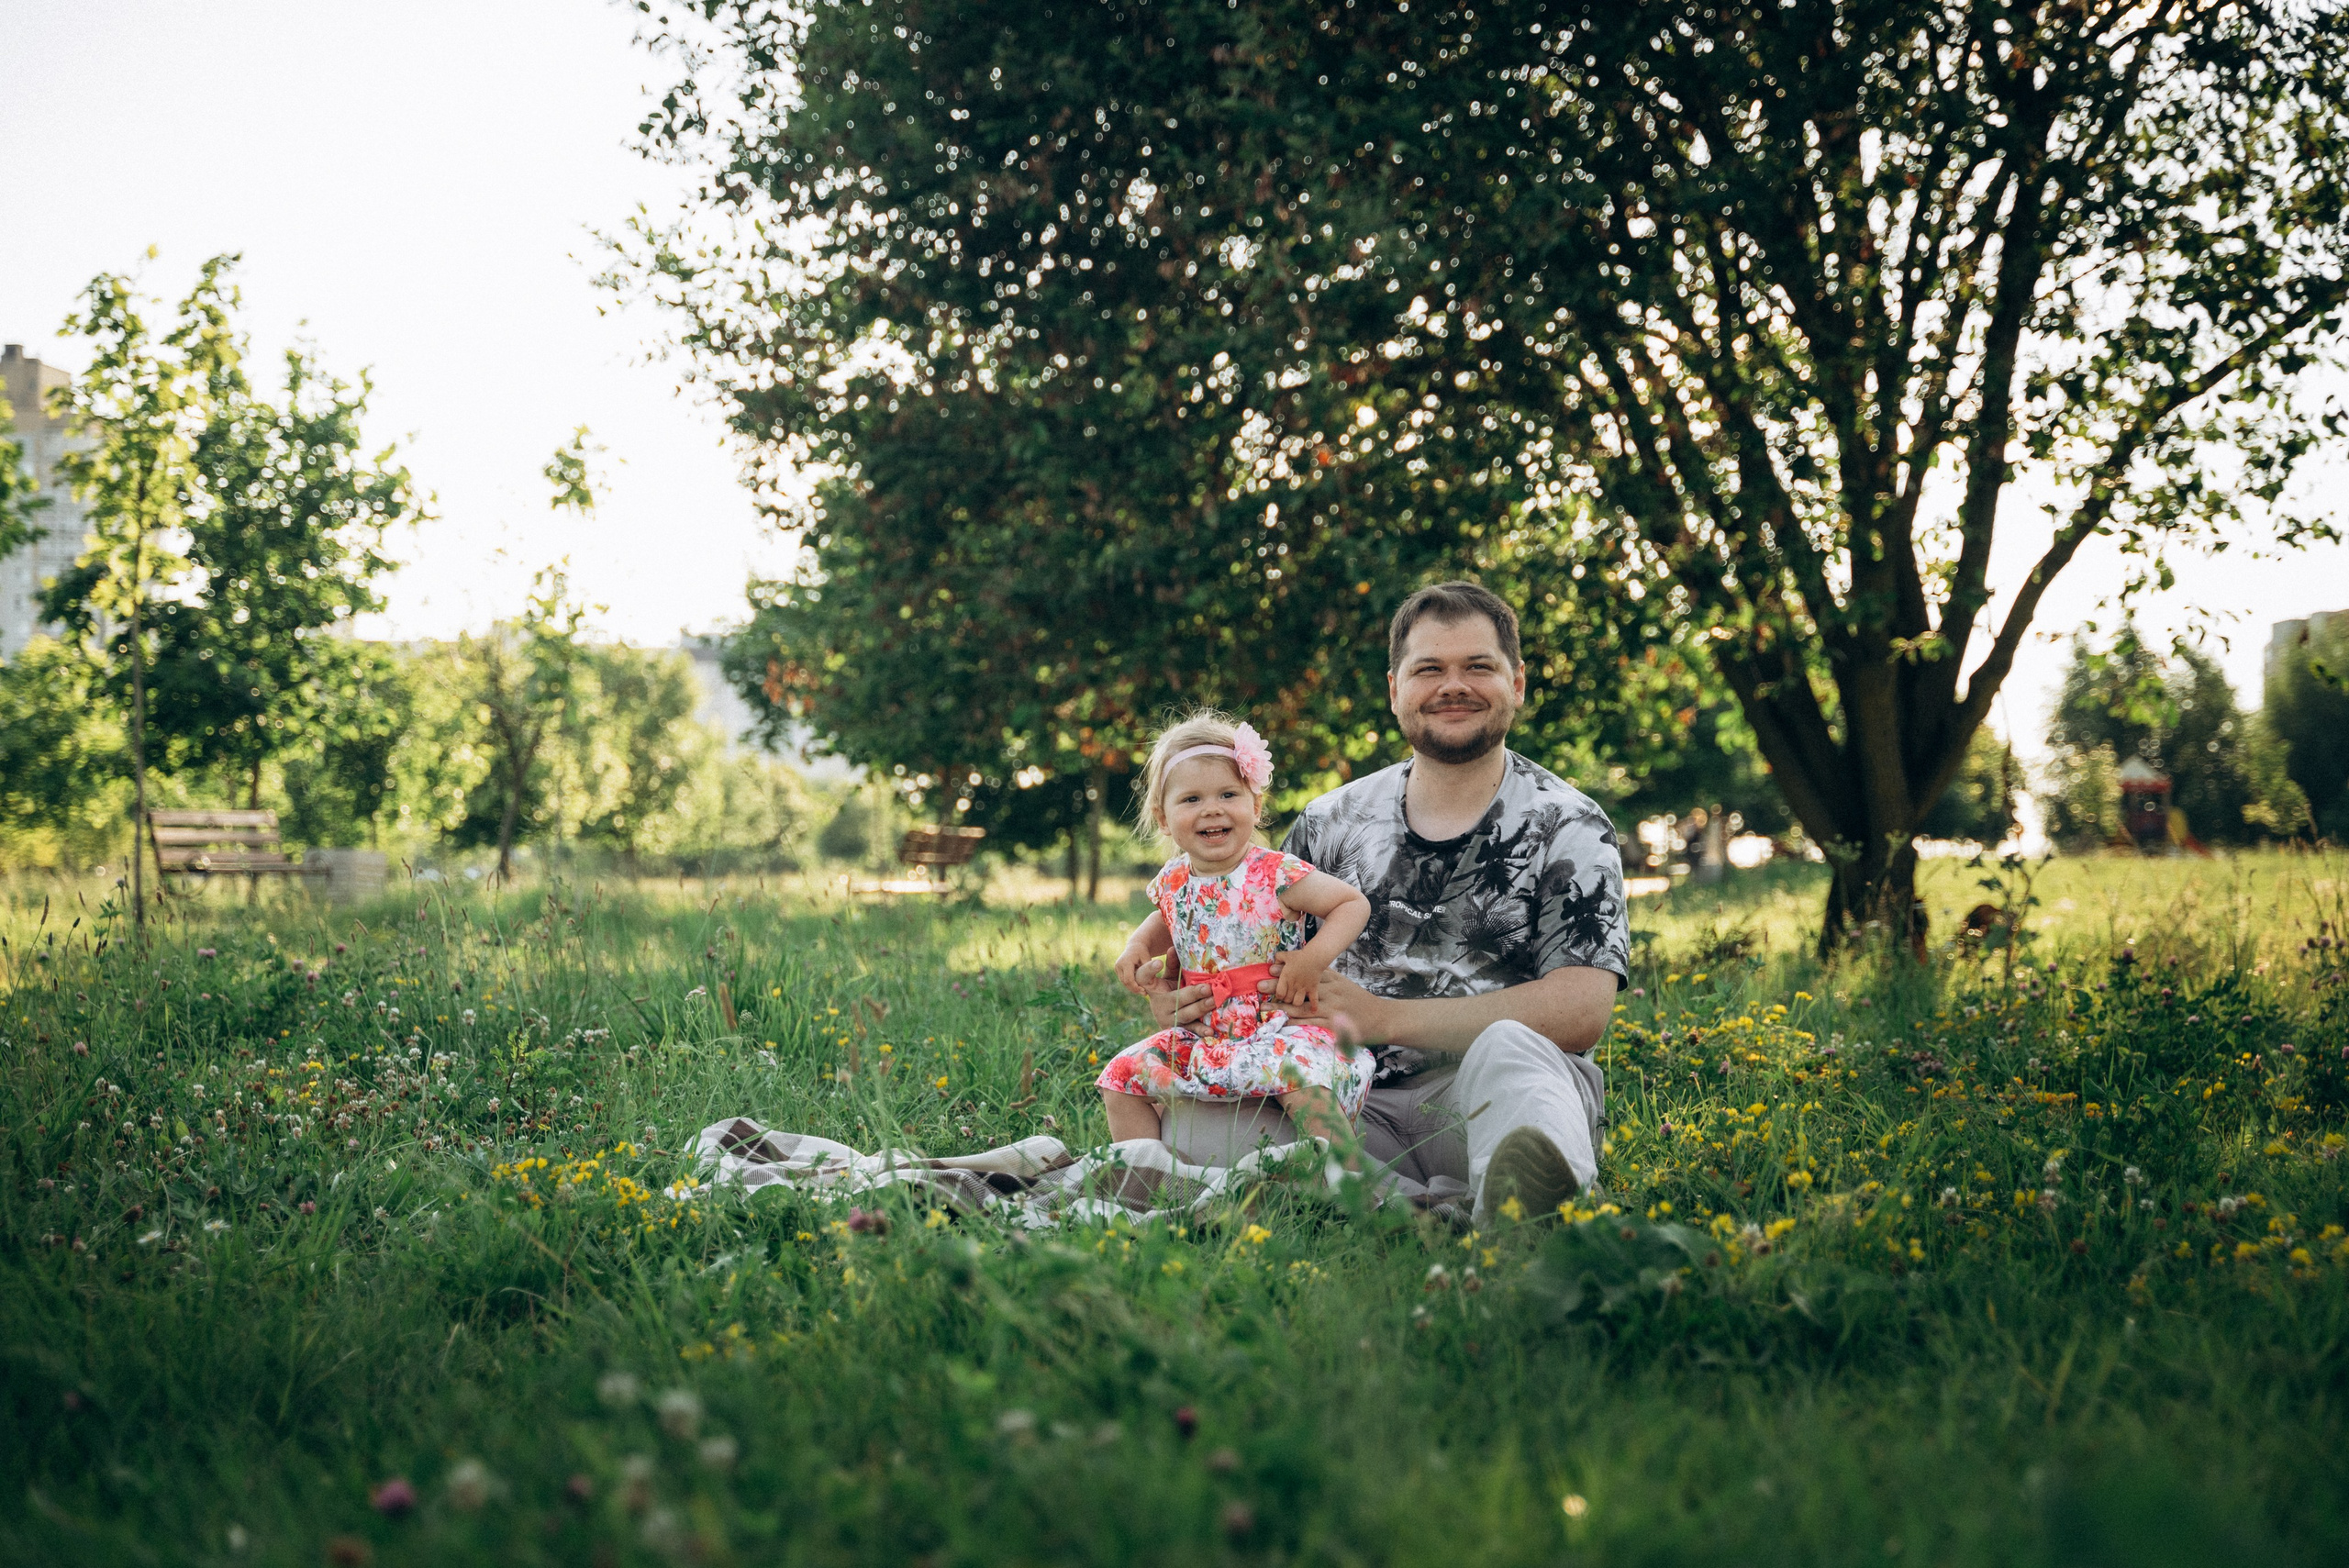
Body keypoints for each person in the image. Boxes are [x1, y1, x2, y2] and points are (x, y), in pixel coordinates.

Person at [1141, 583, 1629, 1223]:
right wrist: (1182, 996)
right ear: (1395, 688)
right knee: (1192, 1125)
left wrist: (1387, 1018)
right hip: (1341, 1104)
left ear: (1517, 682)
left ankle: (1517, 1194)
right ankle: (1414, 1211)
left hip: (1478, 1103)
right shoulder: (1329, 821)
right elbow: (1249, 949)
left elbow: (1582, 1009)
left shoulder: (1569, 824)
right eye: (1429, 669)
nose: (1453, 685)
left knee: (1514, 1051)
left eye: (1478, 666)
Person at [1097, 711, 1374, 1151]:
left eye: (1229, 793)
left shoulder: (1274, 873)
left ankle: (1350, 1182)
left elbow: (1351, 904)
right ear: (1163, 818)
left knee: (1302, 1082)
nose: (1212, 808)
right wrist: (1137, 946)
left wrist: (1310, 959)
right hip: (1206, 1032)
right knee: (1120, 1077)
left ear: (1255, 806)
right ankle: (1143, 1180)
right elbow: (1166, 920)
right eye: (1191, 799)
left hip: (1278, 1024)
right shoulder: (1172, 880)